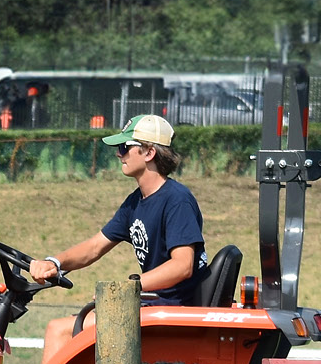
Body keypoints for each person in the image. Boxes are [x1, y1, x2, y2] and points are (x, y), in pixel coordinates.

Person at [32, 114, 206, 303]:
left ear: (149, 152)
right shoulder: (135, 202)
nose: (118, 154)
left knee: (59, 330)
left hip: (171, 308)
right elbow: (94, 247)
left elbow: (182, 265)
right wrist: (54, 263)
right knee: (68, 325)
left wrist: (127, 287)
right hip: (153, 302)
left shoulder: (177, 200)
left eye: (124, 147)